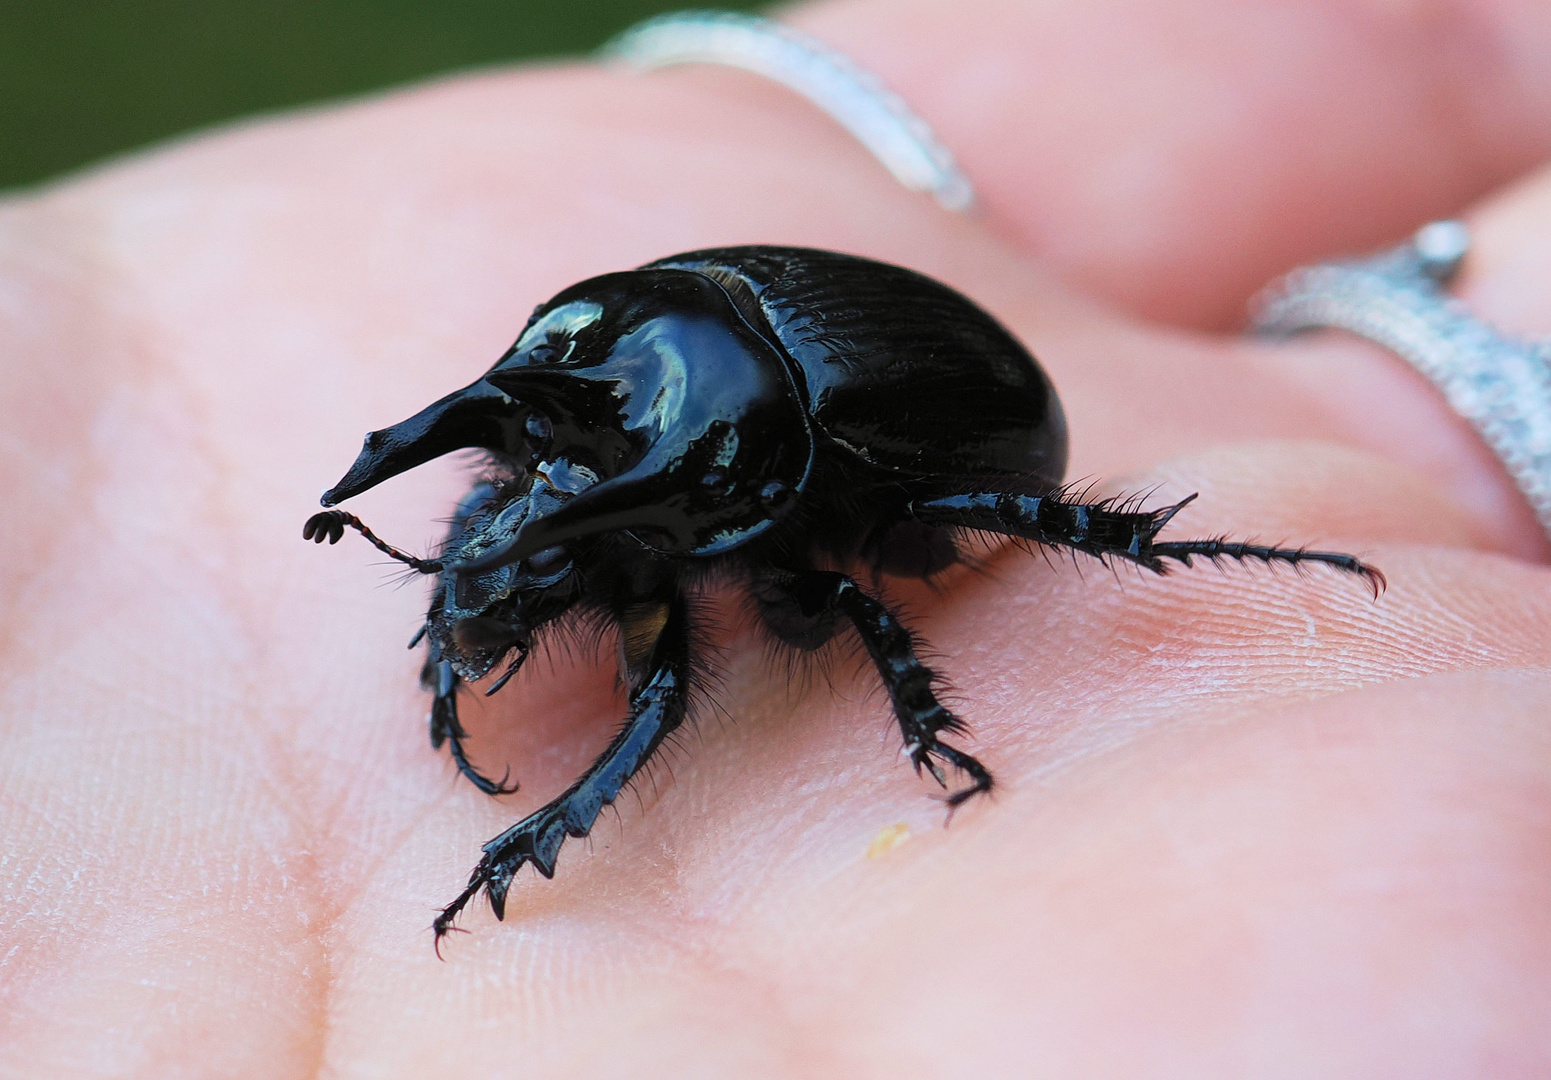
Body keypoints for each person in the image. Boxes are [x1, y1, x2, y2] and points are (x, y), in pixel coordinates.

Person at [3, 0, 1548, 1073]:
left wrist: (540, 820)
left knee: (866, 590)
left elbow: (801, 637)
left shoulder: (751, 511)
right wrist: (457, 620)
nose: (510, 514)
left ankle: (1162, 556)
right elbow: (515, 513)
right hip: (758, 386)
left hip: (939, 423)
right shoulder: (595, 383)